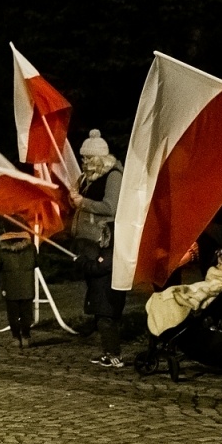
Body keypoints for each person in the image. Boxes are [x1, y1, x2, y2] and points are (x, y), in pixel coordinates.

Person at [69, 129, 128, 368]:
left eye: (87, 158)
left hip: (105, 244)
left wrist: (83, 203)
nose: (84, 162)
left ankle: (113, 351)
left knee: (104, 298)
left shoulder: (113, 175)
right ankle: (106, 345)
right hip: (89, 244)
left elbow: (111, 207)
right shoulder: (87, 178)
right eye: (82, 158)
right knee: (97, 296)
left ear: (99, 158)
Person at [0, 230, 38, 349]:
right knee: (26, 313)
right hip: (27, 285)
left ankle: (16, 338)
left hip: (9, 285)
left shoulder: (1, 248)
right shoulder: (30, 247)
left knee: (12, 314)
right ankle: (25, 337)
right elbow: (37, 262)